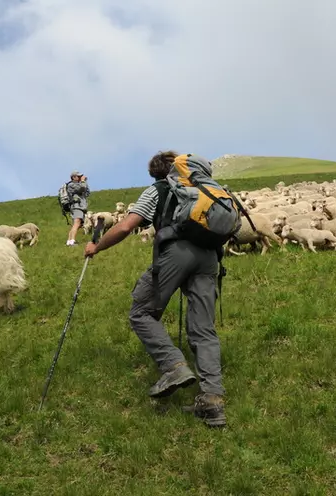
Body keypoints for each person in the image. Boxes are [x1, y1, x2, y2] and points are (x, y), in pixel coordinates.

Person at [84, 150, 227, 428]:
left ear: (155, 173)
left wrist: (96, 247)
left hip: (176, 253)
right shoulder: (203, 191)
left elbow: (126, 227)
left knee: (142, 313)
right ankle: (212, 401)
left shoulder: (159, 189)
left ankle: (174, 366)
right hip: (210, 255)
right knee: (203, 329)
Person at [66, 171, 90, 246]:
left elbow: (87, 192)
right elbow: (81, 188)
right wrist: (83, 181)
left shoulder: (80, 184)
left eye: (80, 176)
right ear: (73, 177)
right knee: (77, 223)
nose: (80, 177)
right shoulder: (71, 185)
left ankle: (69, 242)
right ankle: (72, 241)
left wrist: (84, 182)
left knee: (77, 224)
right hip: (76, 206)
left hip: (81, 207)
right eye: (78, 176)